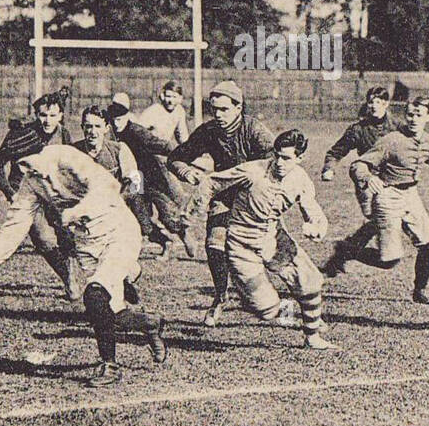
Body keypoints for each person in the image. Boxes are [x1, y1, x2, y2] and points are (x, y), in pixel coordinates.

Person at [0, 143, 167, 388]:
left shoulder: (67, 157)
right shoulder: (31, 182)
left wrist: (77, 211)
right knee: (110, 313)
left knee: (94, 295)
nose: (41, 178)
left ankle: (110, 365)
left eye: (37, 168)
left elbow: (109, 187)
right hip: (86, 242)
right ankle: (150, 323)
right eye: (28, 169)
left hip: (118, 232)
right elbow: (15, 226)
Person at [203, 130, 339, 350]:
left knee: (311, 279)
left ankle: (312, 338)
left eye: (286, 158)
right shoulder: (253, 170)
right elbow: (212, 182)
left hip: (273, 237)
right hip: (241, 243)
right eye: (276, 155)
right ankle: (246, 290)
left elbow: (313, 210)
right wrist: (189, 212)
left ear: (299, 159)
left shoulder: (300, 179)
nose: (278, 162)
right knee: (268, 311)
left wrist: (317, 227)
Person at [168, 80, 287, 327]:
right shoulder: (209, 131)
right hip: (223, 195)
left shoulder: (254, 129)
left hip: (255, 199)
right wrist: (187, 173)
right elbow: (176, 158)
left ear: (238, 107)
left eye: (224, 109)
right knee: (214, 245)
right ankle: (220, 297)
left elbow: (277, 161)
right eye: (215, 110)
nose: (218, 115)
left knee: (271, 254)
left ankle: (289, 299)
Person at [325, 96, 429, 304]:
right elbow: (358, 166)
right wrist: (369, 177)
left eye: (419, 115)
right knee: (389, 260)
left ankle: (420, 291)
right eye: (410, 115)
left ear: (428, 117)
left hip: (411, 195)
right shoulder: (391, 140)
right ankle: (349, 250)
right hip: (388, 196)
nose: (414, 119)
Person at [0, 92, 79, 296]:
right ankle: (68, 279)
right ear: (36, 114)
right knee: (43, 239)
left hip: (53, 192)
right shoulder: (21, 134)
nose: (47, 120)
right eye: (43, 115)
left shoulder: (63, 135)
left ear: (61, 115)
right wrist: (10, 193)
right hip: (27, 195)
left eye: (53, 115)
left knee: (67, 234)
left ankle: (76, 272)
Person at [107, 92, 194, 259]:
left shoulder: (137, 131)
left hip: (153, 174)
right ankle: (165, 242)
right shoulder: (112, 131)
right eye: (114, 119)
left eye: (120, 118)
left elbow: (160, 144)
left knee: (166, 213)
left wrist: (185, 153)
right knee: (140, 217)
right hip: (135, 177)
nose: (116, 123)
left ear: (127, 116)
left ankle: (183, 233)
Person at [321, 86, 396, 260]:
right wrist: (329, 168)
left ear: (386, 104)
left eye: (378, 102)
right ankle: (353, 249)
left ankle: (349, 249)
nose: (374, 106)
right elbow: (336, 152)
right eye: (371, 102)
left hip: (390, 180)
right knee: (377, 216)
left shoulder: (396, 127)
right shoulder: (358, 130)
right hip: (366, 182)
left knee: (385, 217)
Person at [135, 80, 189, 145]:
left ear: (180, 99)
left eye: (174, 97)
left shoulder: (179, 111)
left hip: (164, 148)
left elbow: (182, 136)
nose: (171, 101)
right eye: (168, 96)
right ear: (163, 96)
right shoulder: (154, 110)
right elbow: (137, 130)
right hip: (150, 148)